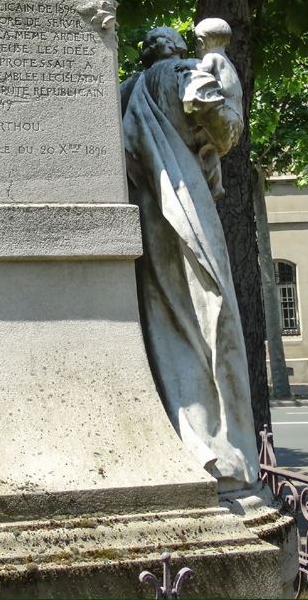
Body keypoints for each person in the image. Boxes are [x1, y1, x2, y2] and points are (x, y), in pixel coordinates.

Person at [121, 25, 259, 492]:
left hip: (144, 204)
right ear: (176, 48)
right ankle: (220, 442)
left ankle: (182, 428)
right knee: (209, 309)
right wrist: (228, 125)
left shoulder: (130, 88)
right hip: (185, 198)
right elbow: (211, 111)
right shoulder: (184, 73)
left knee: (166, 312)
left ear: (146, 52)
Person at [183, 18, 243, 202]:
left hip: (225, 115)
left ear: (201, 42)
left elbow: (200, 70)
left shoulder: (212, 58)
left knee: (197, 136)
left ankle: (211, 182)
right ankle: (216, 186)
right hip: (237, 121)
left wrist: (184, 65)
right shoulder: (228, 63)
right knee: (210, 147)